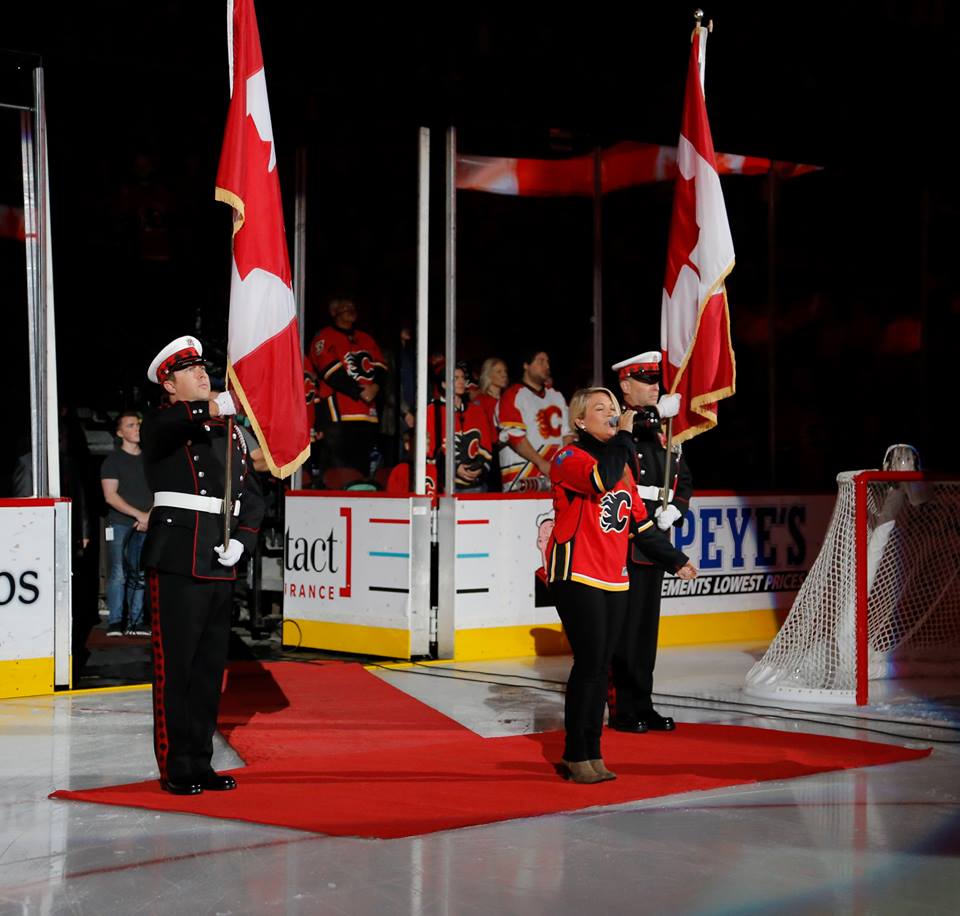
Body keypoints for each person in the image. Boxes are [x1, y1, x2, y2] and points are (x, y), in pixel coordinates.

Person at [546, 388, 696, 784]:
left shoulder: (624, 467)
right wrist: (627, 435)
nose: (613, 414)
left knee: (600, 666)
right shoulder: (568, 457)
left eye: (615, 409)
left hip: (614, 577)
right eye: (602, 409)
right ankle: (577, 753)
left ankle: (591, 751)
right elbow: (599, 479)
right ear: (580, 421)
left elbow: (641, 526)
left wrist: (674, 559)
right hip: (576, 573)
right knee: (591, 663)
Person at [140, 335, 264, 796]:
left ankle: (200, 762)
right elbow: (172, 424)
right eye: (190, 371)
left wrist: (245, 544)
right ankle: (176, 764)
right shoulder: (161, 422)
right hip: (178, 555)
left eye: (203, 369)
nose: (202, 375)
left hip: (219, 555)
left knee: (210, 669)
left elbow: (251, 496)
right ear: (169, 384)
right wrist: (213, 407)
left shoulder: (228, 429)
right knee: (177, 669)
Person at [608, 351, 694, 734]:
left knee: (646, 631)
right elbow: (619, 466)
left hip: (655, 539)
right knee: (624, 632)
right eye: (646, 381)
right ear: (625, 387)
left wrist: (675, 509)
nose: (655, 386)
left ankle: (643, 702)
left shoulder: (664, 432)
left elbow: (683, 479)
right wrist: (657, 413)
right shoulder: (619, 427)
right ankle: (622, 706)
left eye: (656, 381)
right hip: (626, 541)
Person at [306, 298, 387, 480]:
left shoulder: (365, 338)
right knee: (338, 464)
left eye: (352, 307)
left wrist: (375, 386)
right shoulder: (324, 337)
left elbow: (381, 365)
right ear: (334, 313)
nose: (350, 310)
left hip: (367, 412)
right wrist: (359, 391)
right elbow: (329, 370)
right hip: (339, 413)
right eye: (345, 308)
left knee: (363, 464)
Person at [100, 411, 152, 637]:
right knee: (119, 573)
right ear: (120, 433)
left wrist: (149, 516)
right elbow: (110, 496)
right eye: (131, 425)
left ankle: (136, 622)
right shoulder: (113, 461)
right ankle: (115, 621)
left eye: (138, 424)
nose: (137, 429)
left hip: (146, 523)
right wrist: (139, 515)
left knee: (139, 573)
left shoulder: (150, 459)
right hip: (122, 523)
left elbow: (160, 489)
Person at [496, 348, 568, 492]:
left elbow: (568, 433)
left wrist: (559, 463)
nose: (546, 366)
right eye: (540, 361)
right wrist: (541, 463)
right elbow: (514, 436)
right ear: (526, 365)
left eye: (547, 362)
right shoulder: (512, 396)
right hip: (522, 477)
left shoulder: (556, 395)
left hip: (554, 477)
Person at [425, 362, 493, 494]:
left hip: (477, 483)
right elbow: (430, 451)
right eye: (455, 378)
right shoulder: (433, 411)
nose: (461, 381)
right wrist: (453, 468)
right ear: (443, 384)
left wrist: (480, 467)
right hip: (446, 486)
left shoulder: (476, 411)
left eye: (463, 377)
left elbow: (486, 447)